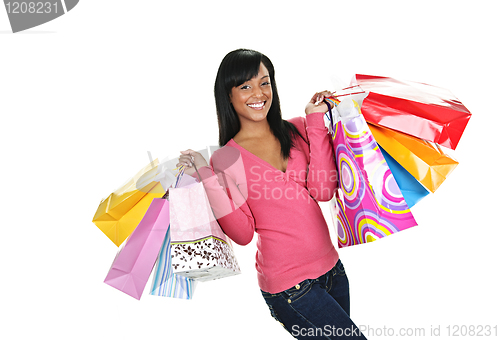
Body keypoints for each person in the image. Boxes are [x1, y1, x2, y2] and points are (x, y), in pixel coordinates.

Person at [177, 49, 367, 339]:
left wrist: (314, 120)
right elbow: (242, 233)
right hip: (291, 289)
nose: (259, 93)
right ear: (228, 95)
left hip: (333, 272)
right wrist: (206, 175)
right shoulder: (227, 158)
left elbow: (323, 190)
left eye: (265, 82)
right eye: (245, 86)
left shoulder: (296, 129)